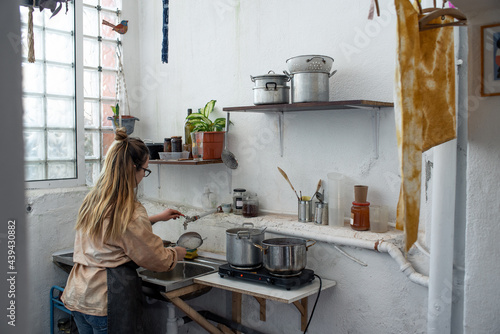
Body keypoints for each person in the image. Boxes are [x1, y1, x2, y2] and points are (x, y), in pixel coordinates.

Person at [61, 128, 187, 334]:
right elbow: (155, 258)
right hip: (105, 301)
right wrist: (176, 254)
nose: (143, 177)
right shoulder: (130, 210)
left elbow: (113, 230)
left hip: (78, 295)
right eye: (145, 171)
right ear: (133, 169)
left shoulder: (95, 199)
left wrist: (156, 218)